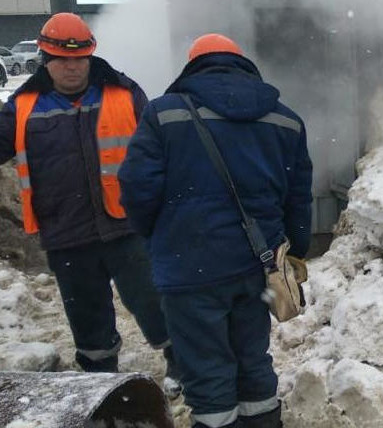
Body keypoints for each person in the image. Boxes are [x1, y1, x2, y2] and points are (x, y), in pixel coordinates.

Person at [118, 33, 312, 428]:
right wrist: (295, 250)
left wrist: (157, 236)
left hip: (189, 268)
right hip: (256, 265)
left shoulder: (164, 114)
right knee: (252, 359)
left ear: (193, 67)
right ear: (243, 66)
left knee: (206, 368)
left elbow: (137, 189)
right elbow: (298, 196)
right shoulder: (285, 119)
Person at [0, 13, 180, 389]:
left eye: (79, 58)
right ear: (45, 60)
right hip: (65, 232)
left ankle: (180, 364)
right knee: (87, 317)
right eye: (61, 59)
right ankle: (100, 382)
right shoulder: (22, 106)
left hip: (126, 225)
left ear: (91, 56)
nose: (71, 67)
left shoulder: (124, 93)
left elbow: (158, 153)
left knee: (153, 302)